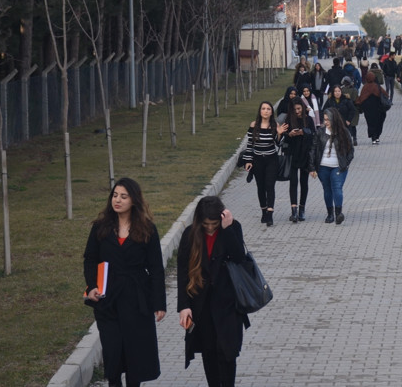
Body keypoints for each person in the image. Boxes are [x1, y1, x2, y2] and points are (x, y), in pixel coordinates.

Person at [83, 177, 166, 387]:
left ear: (134, 201)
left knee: (135, 355)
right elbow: (90, 259)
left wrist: (159, 304)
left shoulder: (147, 229)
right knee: (112, 352)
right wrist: (92, 286)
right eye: (115, 195)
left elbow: (156, 268)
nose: (117, 200)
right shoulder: (100, 227)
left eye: (123, 196)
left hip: (137, 299)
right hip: (108, 299)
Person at [177, 196, 247, 387]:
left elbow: (239, 257)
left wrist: (227, 228)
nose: (209, 228)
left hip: (229, 305)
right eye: (206, 224)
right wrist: (184, 306)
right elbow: (182, 272)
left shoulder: (232, 227)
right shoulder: (190, 234)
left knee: (228, 352)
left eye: (214, 224)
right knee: (209, 352)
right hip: (201, 306)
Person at [242, 101, 288, 226]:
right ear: (260, 111)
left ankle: (270, 214)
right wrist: (248, 161)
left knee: (270, 186)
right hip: (257, 160)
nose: (266, 111)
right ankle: (263, 211)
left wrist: (279, 134)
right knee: (260, 187)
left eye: (268, 109)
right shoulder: (254, 125)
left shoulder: (275, 125)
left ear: (272, 112)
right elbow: (250, 145)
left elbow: (279, 144)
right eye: (263, 108)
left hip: (271, 160)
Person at [308, 107, 354, 224]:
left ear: (334, 119)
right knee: (327, 190)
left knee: (337, 188)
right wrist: (312, 167)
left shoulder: (344, 132)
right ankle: (330, 213)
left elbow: (351, 151)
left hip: (338, 167)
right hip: (323, 167)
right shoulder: (320, 132)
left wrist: (345, 163)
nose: (326, 122)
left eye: (328, 120)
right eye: (324, 120)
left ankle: (339, 214)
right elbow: (313, 149)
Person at [284, 98, 315, 222]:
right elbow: (283, 138)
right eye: (294, 109)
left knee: (304, 182)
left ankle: (302, 209)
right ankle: (294, 210)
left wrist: (304, 132)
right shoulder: (288, 120)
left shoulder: (308, 119)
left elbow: (314, 135)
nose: (297, 111)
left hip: (305, 154)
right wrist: (290, 134)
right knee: (293, 182)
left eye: (299, 108)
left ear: (302, 108)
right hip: (292, 155)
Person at [355, 72, 387, 145]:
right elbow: (385, 94)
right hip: (378, 109)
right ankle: (377, 136)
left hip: (368, 110)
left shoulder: (365, 87)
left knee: (370, 123)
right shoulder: (377, 86)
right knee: (379, 122)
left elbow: (361, 98)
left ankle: (373, 138)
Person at [339, 77, 360, 145]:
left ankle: (348, 139)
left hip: (345, 110)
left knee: (346, 126)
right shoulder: (354, 90)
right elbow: (356, 99)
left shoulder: (342, 90)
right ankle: (354, 138)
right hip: (354, 110)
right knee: (353, 126)